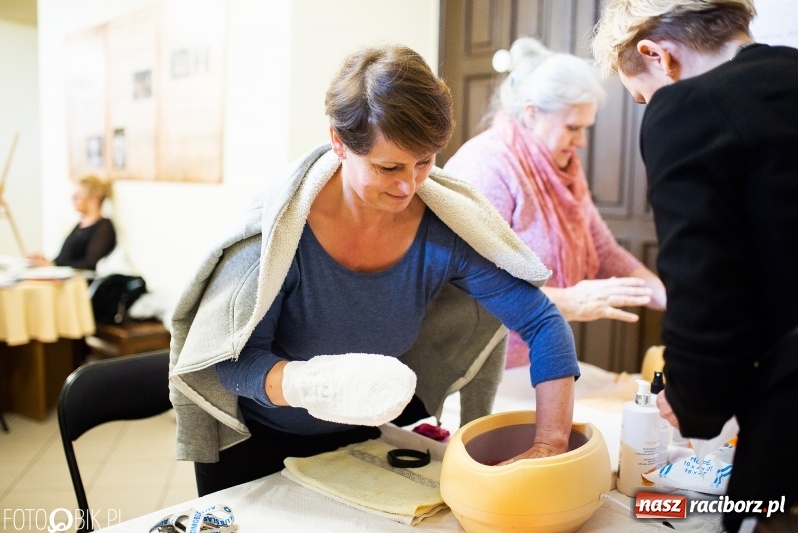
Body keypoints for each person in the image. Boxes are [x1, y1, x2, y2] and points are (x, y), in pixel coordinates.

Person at [169, 43, 581, 497]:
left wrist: (549, 443)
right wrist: (313, 385)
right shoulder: (280, 237)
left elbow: (543, 324)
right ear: (339, 143)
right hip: (256, 448)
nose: (409, 185)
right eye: (389, 167)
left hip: (361, 439)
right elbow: (232, 362)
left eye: (424, 162)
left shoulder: (443, 230)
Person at [592, 1, 798, 531]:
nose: (651, 108)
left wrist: (692, 397)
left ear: (658, 55)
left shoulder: (691, 106)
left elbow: (705, 283)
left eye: (642, 98)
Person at [444, 37, 666, 368]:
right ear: (532, 113)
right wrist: (568, 301)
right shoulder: (486, 166)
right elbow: (472, 288)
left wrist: (665, 296)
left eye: (585, 128)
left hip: (536, 356)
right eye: (572, 127)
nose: (581, 141)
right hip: (478, 367)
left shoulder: (564, 171)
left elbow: (603, 250)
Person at [26, 174, 116, 271]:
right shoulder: (79, 226)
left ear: (94, 199)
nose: (73, 199)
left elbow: (89, 264)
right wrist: (47, 262)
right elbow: (63, 259)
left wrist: (53, 266)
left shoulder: (104, 227)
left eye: (78, 196)